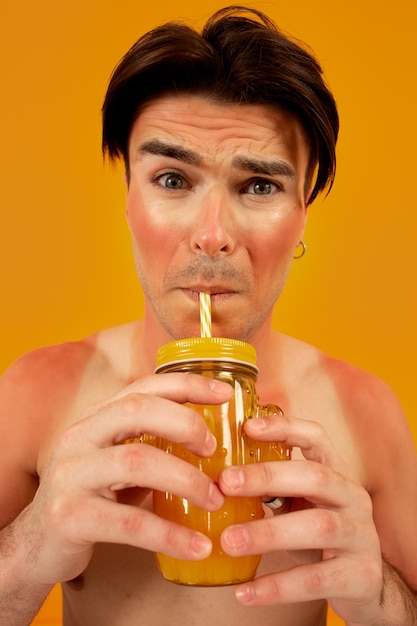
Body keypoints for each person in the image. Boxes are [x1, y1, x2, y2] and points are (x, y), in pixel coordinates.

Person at [1, 5, 416, 625]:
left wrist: (380, 600)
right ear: (128, 197)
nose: (212, 235)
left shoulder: (366, 413)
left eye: (259, 186)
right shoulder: (35, 393)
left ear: (304, 211)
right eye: (172, 179)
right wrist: (30, 550)